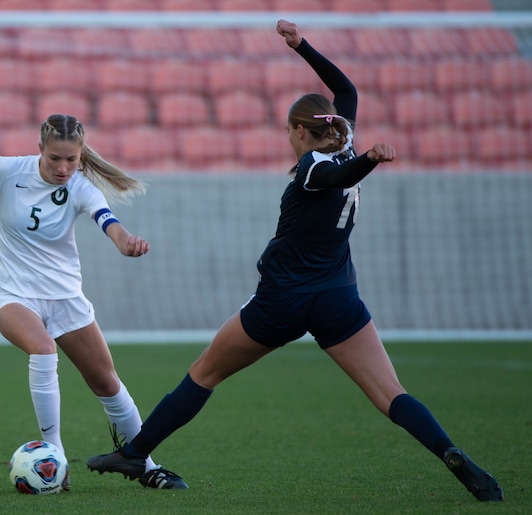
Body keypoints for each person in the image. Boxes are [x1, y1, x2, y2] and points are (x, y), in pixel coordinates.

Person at [86, 20, 503, 502]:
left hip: (281, 302)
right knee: (390, 393)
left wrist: (366, 158)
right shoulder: (340, 145)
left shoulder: (314, 166)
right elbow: (345, 90)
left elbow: (336, 174)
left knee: (205, 372)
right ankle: (450, 452)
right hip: (337, 299)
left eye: (289, 130)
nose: (288, 138)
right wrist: (302, 47)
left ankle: (136, 452)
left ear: (300, 131)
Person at [0, 114, 188, 490]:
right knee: (42, 349)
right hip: (12, 295)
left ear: (81, 156)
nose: (63, 168)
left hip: (65, 298)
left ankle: (146, 464)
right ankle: (55, 459)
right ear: (39, 148)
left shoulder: (81, 188)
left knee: (107, 382)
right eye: (55, 158)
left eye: (71, 160)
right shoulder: (7, 171)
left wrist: (125, 243)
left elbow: (109, 223)